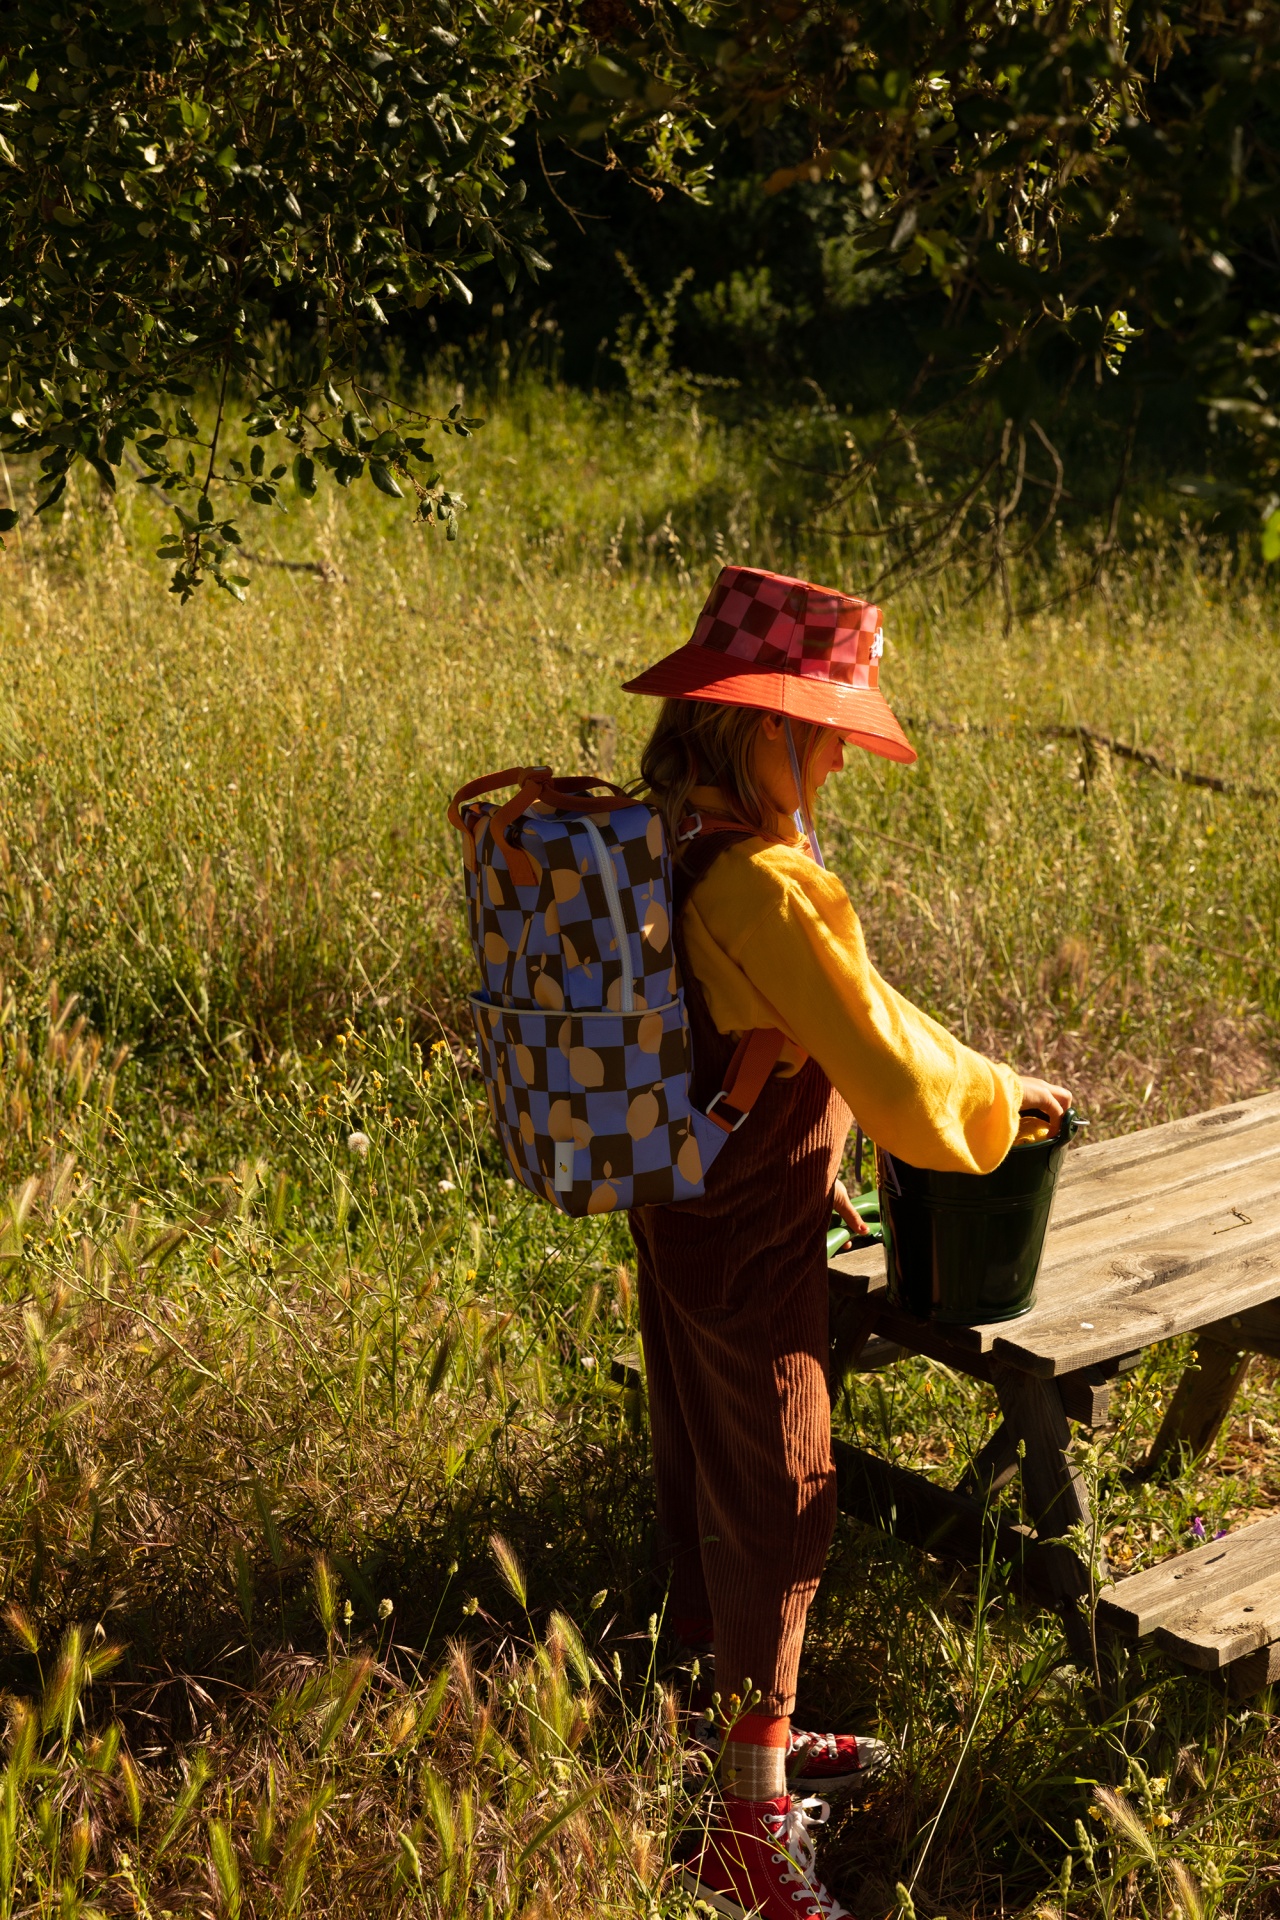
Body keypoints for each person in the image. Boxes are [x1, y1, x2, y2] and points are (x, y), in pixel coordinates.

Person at [620, 565, 1072, 1920]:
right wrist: (1007, 1103)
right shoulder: (765, 881)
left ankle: (731, 1725)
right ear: (768, 730)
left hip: (677, 1186)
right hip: (746, 1226)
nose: (834, 761)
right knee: (786, 1492)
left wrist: (968, 1071)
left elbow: (834, 1013)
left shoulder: (668, 835)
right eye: (825, 735)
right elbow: (894, 1077)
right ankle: (749, 1830)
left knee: (703, 1453)